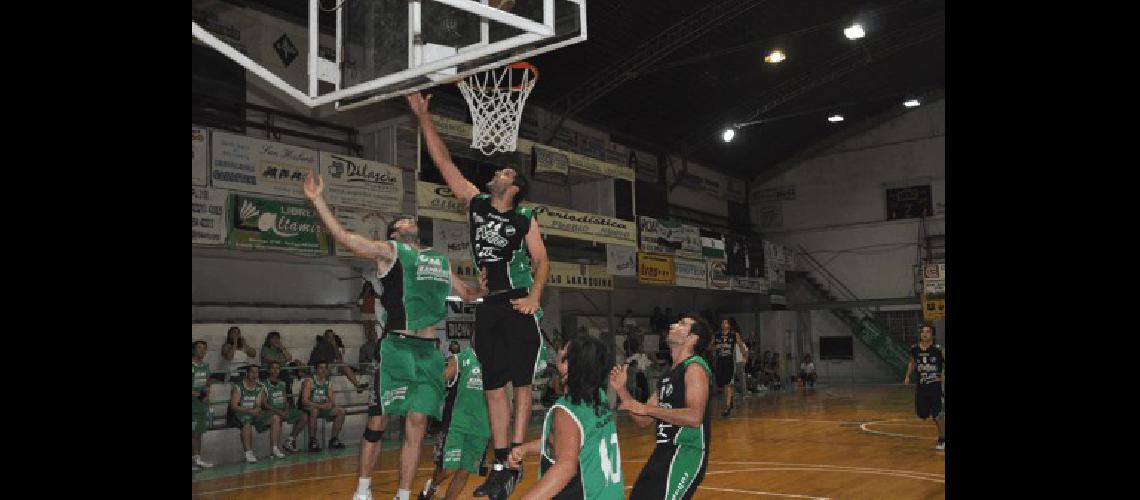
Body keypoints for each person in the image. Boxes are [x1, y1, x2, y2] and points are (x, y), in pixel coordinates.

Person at [303, 169, 484, 500]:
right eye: (404, 220)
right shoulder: (391, 251)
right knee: (379, 421)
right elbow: (346, 238)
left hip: (430, 352)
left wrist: (485, 288)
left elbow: (469, 296)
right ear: (395, 233)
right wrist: (317, 201)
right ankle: (363, 490)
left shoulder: (439, 260)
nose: (411, 220)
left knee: (416, 424)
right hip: (397, 348)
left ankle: (403, 494)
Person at [409, 92, 552, 500]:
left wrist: (536, 298)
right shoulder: (476, 204)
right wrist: (424, 117)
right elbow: (444, 163)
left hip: (519, 299)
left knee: (522, 384)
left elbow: (542, 261)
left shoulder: (526, 219)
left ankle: (511, 466)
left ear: (515, 186)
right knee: (493, 387)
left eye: (505, 172)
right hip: (489, 306)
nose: (498, 173)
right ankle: (501, 459)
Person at [611, 314, 713, 500]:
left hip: (686, 453)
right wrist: (621, 390)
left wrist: (648, 409)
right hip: (663, 452)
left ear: (692, 338)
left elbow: (694, 417)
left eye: (682, 324)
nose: (673, 324)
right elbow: (642, 420)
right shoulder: (668, 375)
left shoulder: (695, 368)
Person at [509, 336, 624, 499]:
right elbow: (573, 440)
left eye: (565, 349)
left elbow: (566, 467)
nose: (560, 350)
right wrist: (526, 448)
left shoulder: (567, 410)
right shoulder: (598, 396)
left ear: (570, 365)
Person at [419, 345, 491, 500]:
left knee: (464, 471)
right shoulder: (462, 358)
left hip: (482, 428)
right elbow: (441, 378)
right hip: (457, 424)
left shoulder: (495, 361)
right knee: (448, 469)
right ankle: (432, 486)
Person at [904, 324, 946, 450]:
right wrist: (907, 376)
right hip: (921, 388)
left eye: (928, 332)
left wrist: (943, 376)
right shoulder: (914, 349)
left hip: (935, 387)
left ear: (932, 335)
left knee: (937, 415)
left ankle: (942, 439)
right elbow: (911, 362)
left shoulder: (938, 349)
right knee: (922, 414)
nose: (925, 334)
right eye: (923, 332)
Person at [228, 365, 282, 463]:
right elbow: (234, 406)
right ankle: (248, 453)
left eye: (256, 372)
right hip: (239, 413)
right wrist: (250, 411)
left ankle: (274, 448)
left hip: (253, 413)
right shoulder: (238, 387)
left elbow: (258, 404)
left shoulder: (260, 387)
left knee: (275, 418)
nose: (254, 374)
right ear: (247, 373)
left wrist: (258, 410)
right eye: (252, 372)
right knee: (247, 421)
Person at [262, 360, 310, 453]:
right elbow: (264, 404)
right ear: (269, 370)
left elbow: (285, 400)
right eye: (273, 368)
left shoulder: (282, 383)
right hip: (270, 411)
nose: (275, 371)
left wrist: (287, 409)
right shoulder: (263, 384)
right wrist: (280, 412)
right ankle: (274, 449)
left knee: (303, 416)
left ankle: (290, 440)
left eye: (277, 368)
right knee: (277, 418)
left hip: (282, 409)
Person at [300, 360, 347, 453]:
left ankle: (334, 439)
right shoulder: (309, 381)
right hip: (311, 406)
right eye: (321, 368)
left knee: (341, 411)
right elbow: (305, 401)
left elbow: (332, 400)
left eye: (325, 368)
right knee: (314, 411)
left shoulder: (328, 382)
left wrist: (330, 404)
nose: (323, 370)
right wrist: (320, 406)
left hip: (322, 407)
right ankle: (312, 441)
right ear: (316, 369)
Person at [711, 319, 747, 417]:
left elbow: (741, 346)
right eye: (722, 322)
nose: (724, 324)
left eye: (726, 323)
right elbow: (710, 347)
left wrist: (745, 357)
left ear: (729, 325)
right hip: (719, 361)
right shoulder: (716, 335)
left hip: (729, 361)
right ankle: (729, 401)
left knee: (728, 384)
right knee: (723, 384)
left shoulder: (734, 335)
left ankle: (727, 407)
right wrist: (716, 347)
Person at [192, 340, 215, 470]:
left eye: (204, 348)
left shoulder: (205, 366)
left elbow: (207, 383)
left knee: (198, 432)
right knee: (193, 433)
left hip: (200, 404)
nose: (202, 350)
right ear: (193, 350)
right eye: (199, 348)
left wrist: (206, 394)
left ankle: (197, 459)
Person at [260, 331, 303, 401]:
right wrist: (281, 360)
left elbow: (289, 358)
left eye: (277, 338)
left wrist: (282, 348)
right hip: (268, 371)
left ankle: (289, 403)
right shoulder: (265, 348)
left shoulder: (281, 349)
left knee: (286, 381)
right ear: (269, 340)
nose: (276, 340)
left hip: (281, 371)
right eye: (273, 338)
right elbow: (271, 361)